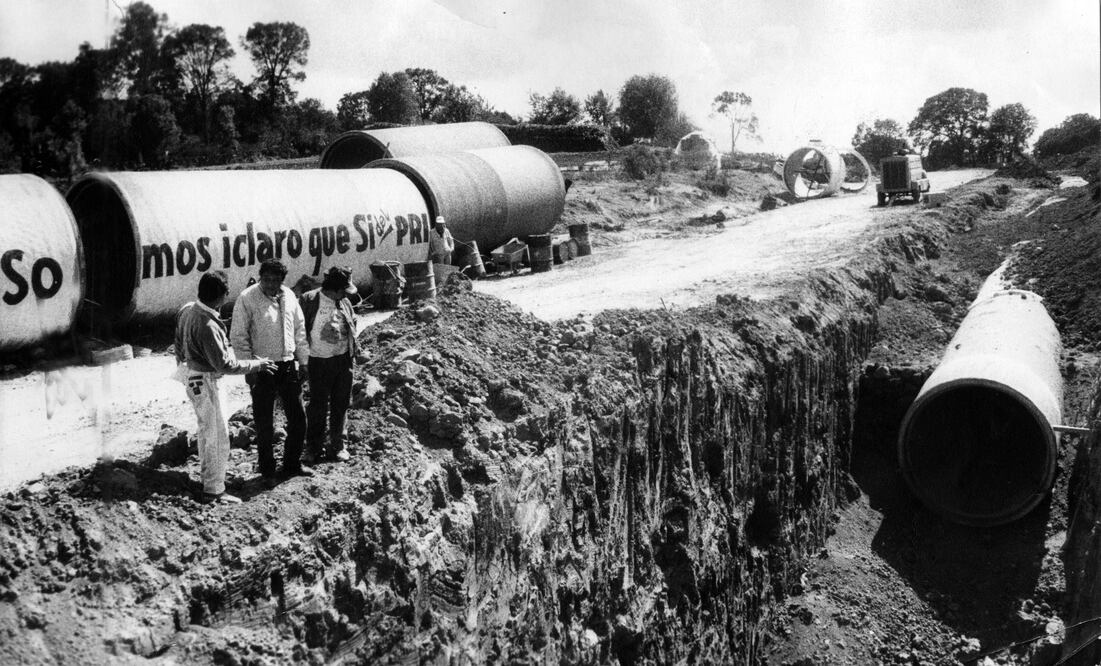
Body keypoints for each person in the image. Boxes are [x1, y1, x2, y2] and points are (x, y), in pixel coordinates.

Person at [174, 271, 275, 504]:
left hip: (193, 376)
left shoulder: (190, 311)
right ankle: (214, 490)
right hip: (206, 380)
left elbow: (178, 345)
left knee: (207, 433)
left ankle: (211, 480)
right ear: (221, 296)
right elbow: (225, 364)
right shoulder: (207, 323)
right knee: (218, 436)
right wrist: (257, 364)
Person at [230, 259, 312, 487]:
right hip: (262, 368)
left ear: (282, 280)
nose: (271, 284)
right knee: (264, 422)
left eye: (276, 280)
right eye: (267, 279)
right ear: (260, 277)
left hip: (287, 366)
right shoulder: (247, 298)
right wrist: (248, 367)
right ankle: (267, 471)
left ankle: (292, 464)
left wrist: (303, 361)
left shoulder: (289, 296)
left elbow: (299, 330)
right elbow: (238, 336)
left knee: (298, 418)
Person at [300, 266, 360, 464]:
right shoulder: (309, 301)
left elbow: (352, 324)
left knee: (341, 404)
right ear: (333, 288)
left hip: (343, 360)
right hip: (318, 361)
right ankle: (313, 447)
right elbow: (299, 331)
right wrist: (301, 360)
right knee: (317, 405)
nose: (345, 295)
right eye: (342, 290)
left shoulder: (343, 302)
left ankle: (338, 445)